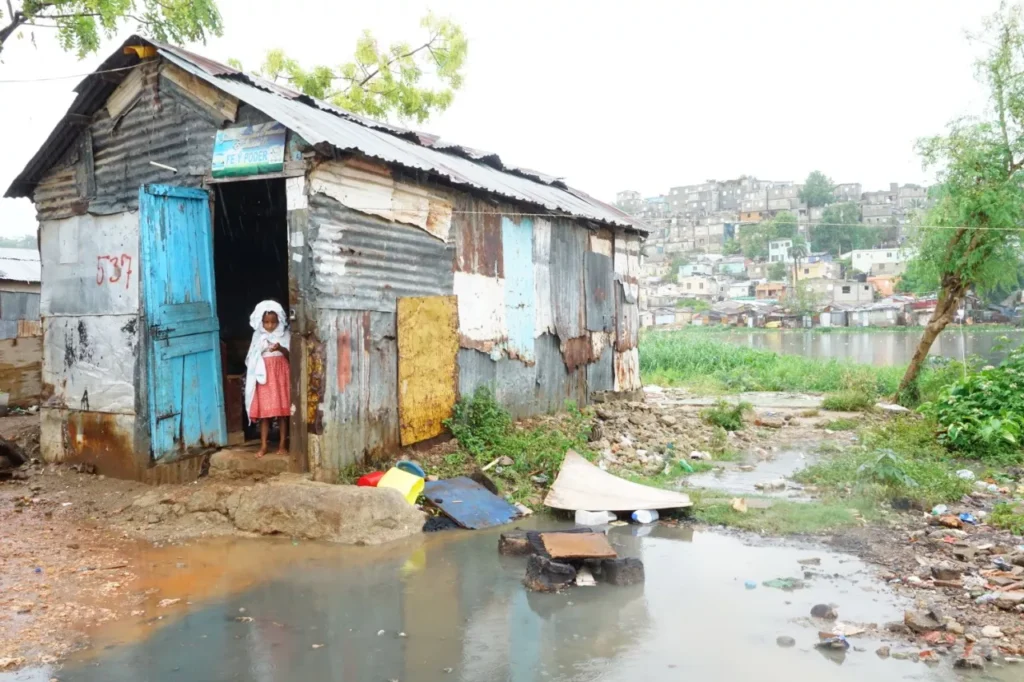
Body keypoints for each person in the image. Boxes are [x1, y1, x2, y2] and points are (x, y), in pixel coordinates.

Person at [244, 300, 291, 457]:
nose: (270, 326)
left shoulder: (284, 335)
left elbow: (292, 355)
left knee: (283, 413)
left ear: (279, 321)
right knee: (265, 414)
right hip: (264, 377)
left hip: (281, 376)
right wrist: (262, 349)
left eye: (273, 322)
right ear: (260, 322)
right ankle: (263, 446)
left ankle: (282, 445)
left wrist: (281, 348)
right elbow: (251, 357)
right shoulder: (257, 336)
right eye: (266, 322)